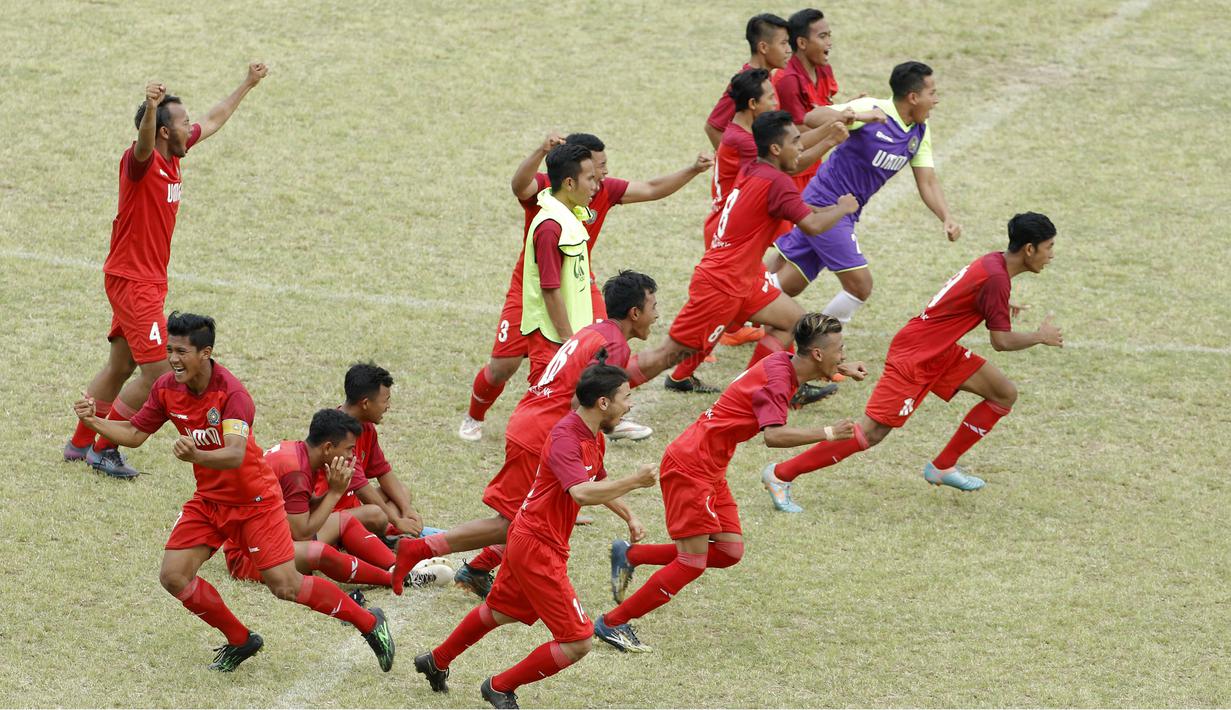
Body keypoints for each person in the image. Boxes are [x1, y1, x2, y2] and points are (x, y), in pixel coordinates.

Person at [72, 313, 395, 672]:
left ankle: (369, 622)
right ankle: (241, 639)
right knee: (174, 576)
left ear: (205, 353)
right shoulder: (165, 388)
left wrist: (197, 454)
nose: (173, 359)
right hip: (210, 501)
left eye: (181, 351)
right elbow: (134, 433)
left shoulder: (232, 393)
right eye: (169, 350)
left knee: (285, 586)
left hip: (255, 503)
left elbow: (235, 452)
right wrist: (94, 422)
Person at [593, 314, 863, 652]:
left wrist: (841, 368)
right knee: (691, 562)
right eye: (840, 350)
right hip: (691, 465)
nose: (843, 355)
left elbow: (811, 369)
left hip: (709, 465)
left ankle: (631, 555)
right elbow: (774, 436)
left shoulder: (787, 362)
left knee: (728, 551)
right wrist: (828, 433)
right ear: (818, 354)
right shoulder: (779, 380)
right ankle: (612, 622)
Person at [761, 213, 1062, 512]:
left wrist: (1000, 304)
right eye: (1049, 247)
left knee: (1003, 394)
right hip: (917, 354)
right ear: (1030, 249)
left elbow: (968, 293)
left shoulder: (994, 264)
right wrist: (1040, 336)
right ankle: (781, 474)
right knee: (871, 432)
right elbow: (1002, 341)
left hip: (940, 350)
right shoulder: (997, 278)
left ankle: (943, 467)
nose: (1051, 255)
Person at [393, 272, 662, 597]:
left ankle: (476, 570)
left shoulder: (597, 331)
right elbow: (582, 401)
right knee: (510, 524)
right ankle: (422, 550)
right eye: (654, 306)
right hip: (542, 431)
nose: (657, 314)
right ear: (635, 313)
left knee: (529, 520)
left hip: (534, 421)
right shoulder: (614, 348)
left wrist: (627, 512)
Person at [66, 64, 269, 479]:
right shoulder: (139, 163)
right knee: (160, 373)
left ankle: (79, 443)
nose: (191, 128)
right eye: (182, 123)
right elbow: (142, 143)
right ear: (162, 131)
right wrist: (152, 106)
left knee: (120, 366)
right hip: (134, 283)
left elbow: (213, 119)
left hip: (143, 281)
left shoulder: (176, 151)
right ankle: (105, 448)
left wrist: (247, 83)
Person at [414, 364, 658, 708]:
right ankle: (499, 687)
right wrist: (635, 480)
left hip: (529, 538)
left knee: (499, 611)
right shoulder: (565, 437)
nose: (629, 405)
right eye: (626, 397)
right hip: (538, 546)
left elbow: (598, 482)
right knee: (578, 641)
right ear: (603, 402)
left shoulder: (593, 437)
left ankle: (436, 660)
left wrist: (629, 514)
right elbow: (582, 493)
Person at [461, 133, 711, 443]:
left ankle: (608, 412)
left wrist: (692, 170)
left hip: (579, 282)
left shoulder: (600, 191)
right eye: (597, 168)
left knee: (607, 345)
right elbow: (518, 186)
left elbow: (651, 188)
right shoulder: (550, 195)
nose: (603, 176)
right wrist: (541, 148)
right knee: (503, 367)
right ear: (575, 175)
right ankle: (475, 416)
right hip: (535, 289)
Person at [647, 111, 856, 397]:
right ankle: (604, 392)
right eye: (796, 142)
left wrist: (828, 143)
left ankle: (760, 387)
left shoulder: (757, 167)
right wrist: (842, 208)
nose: (800, 147)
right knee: (669, 354)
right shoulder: (774, 179)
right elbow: (812, 226)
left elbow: (802, 206)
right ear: (774, 148)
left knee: (793, 321)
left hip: (743, 272)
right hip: (726, 278)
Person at [767, 61, 963, 328]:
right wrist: (857, 116)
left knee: (789, 283)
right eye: (932, 93)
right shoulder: (872, 108)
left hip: (844, 210)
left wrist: (946, 217)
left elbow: (927, 181)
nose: (936, 100)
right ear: (913, 97)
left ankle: (737, 306)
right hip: (826, 205)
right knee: (860, 285)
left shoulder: (919, 131)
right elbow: (813, 118)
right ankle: (819, 342)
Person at [222, 409, 446, 590]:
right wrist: (335, 493)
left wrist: (331, 492)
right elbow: (302, 532)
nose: (351, 456)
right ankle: (397, 578)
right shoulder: (296, 471)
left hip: (263, 539)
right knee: (321, 552)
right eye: (349, 449)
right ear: (328, 447)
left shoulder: (297, 452)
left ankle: (397, 566)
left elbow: (302, 509)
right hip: (249, 558)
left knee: (343, 521)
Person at [311, 362, 425, 541]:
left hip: (350, 506)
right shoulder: (338, 435)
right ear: (365, 403)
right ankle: (388, 536)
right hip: (328, 513)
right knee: (376, 514)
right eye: (385, 400)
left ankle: (382, 534)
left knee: (402, 492)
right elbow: (362, 488)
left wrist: (407, 510)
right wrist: (396, 520)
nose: (388, 406)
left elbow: (382, 471)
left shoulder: (366, 427)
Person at [703, 13, 792, 149]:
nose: (788, 50)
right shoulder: (746, 83)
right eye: (783, 43)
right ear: (763, 47)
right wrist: (734, 164)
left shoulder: (765, 78)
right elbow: (713, 128)